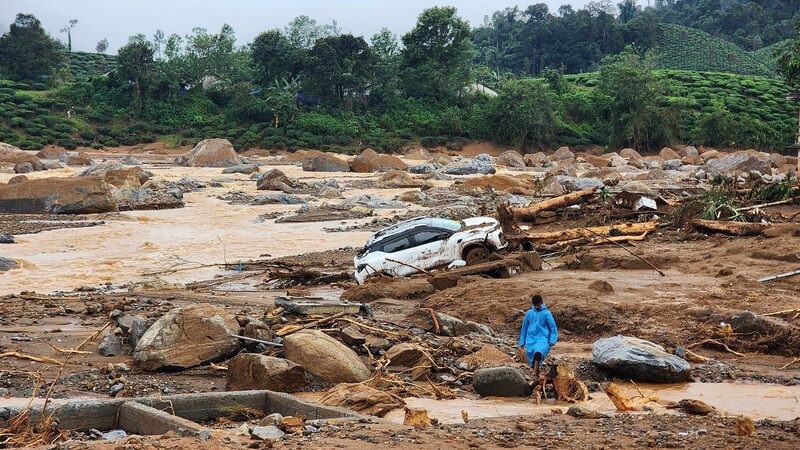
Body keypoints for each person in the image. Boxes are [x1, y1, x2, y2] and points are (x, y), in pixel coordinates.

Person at [519, 294, 558, 379]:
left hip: (542, 339)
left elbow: (553, 328)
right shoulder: (529, 313)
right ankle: (536, 373)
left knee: (538, 352)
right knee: (533, 358)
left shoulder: (546, 313)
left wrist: (553, 339)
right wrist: (522, 342)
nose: (537, 307)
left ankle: (534, 373)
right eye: (535, 305)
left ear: (541, 303)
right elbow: (524, 329)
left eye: (538, 305)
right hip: (530, 339)